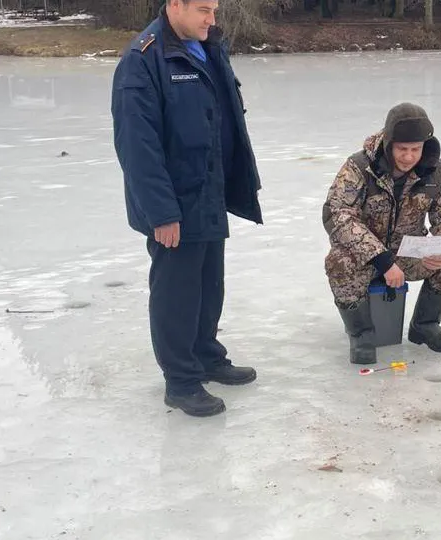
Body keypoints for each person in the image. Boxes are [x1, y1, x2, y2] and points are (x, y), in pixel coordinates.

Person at [110, 0, 263, 417]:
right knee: (176, 293)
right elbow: (137, 147)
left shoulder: (207, 46)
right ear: (174, 4)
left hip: (208, 190)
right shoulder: (144, 60)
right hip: (175, 202)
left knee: (209, 285)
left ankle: (206, 356)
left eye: (213, 10)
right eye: (202, 9)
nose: (211, 19)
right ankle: (180, 380)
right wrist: (161, 212)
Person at [322, 103, 441, 364]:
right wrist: (381, 259)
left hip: (410, 256)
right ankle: (361, 333)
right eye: (402, 149)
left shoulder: (438, 171)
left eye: (416, 149)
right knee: (339, 261)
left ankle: (425, 325)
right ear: (389, 144)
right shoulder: (359, 167)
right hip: (366, 257)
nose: (408, 157)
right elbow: (337, 214)